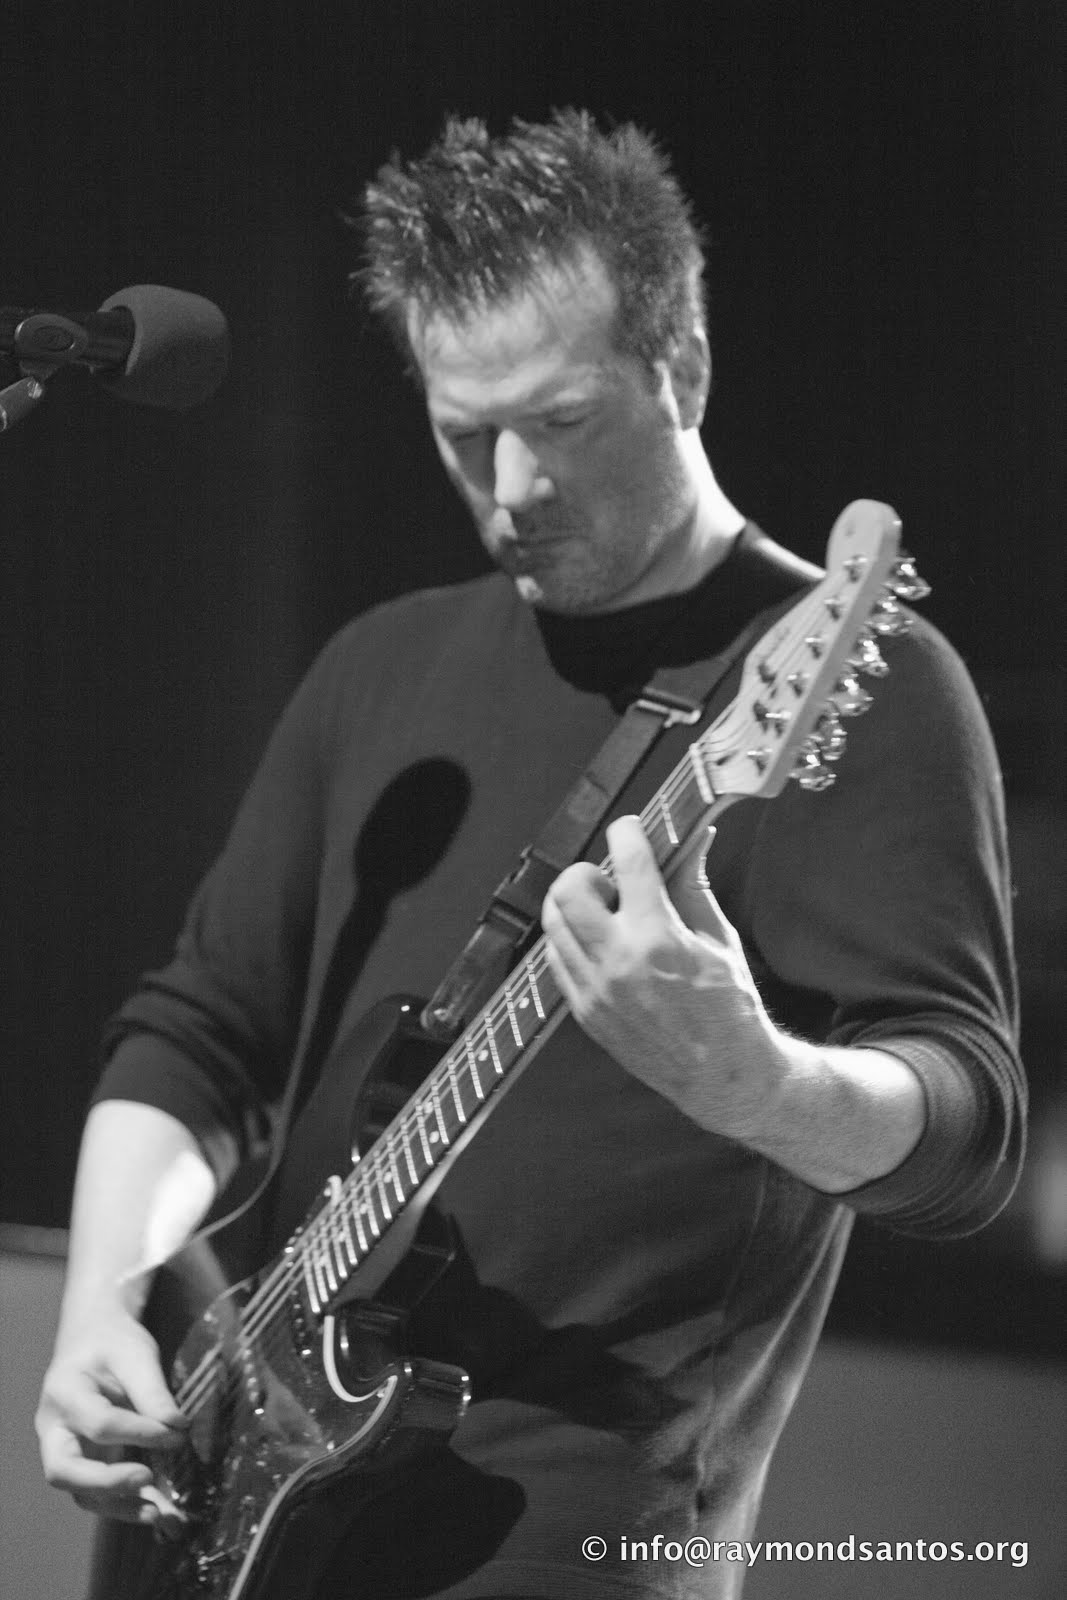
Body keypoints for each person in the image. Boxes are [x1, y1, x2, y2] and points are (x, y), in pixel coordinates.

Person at [36, 110, 1024, 1600]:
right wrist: (101, 1303)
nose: (510, 488)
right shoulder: (380, 666)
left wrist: (755, 1081)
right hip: (236, 1503)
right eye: (463, 432)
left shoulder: (861, 685)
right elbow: (201, 1033)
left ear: (683, 367)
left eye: (559, 422)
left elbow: (970, 1133)